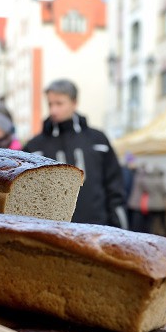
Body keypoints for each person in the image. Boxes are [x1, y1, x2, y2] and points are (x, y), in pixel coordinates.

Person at [23, 79, 127, 228]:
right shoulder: (34, 146)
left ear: (74, 103)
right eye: (50, 104)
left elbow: (115, 186)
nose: (53, 110)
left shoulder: (97, 140)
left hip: (98, 229)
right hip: (51, 232)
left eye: (59, 103)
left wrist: (118, 226)